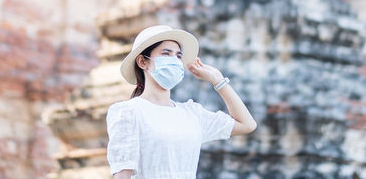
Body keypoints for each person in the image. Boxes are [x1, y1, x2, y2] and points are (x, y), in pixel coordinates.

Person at [105, 25, 257, 178]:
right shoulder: (128, 112)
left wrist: (218, 81)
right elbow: (122, 175)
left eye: (178, 56)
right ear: (142, 62)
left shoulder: (192, 114)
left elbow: (247, 124)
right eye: (166, 53)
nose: (174, 60)